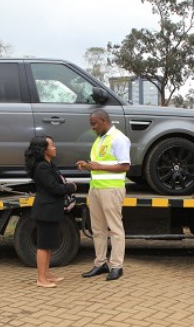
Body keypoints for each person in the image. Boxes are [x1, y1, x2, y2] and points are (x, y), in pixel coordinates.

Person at [77, 109, 130, 281]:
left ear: (104, 120)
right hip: (96, 188)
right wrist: (87, 166)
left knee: (115, 228)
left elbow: (125, 166)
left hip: (111, 189)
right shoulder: (99, 139)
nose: (92, 127)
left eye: (94, 123)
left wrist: (98, 166)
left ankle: (117, 266)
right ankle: (100, 263)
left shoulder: (119, 138)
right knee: (97, 229)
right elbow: (99, 165)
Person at [24, 135, 77, 288]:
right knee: (43, 245)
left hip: (52, 210)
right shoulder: (42, 167)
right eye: (52, 145)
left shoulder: (49, 164)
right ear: (43, 149)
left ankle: (46, 274)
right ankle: (41, 278)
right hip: (45, 210)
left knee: (49, 245)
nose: (55, 147)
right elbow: (54, 188)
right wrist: (71, 187)